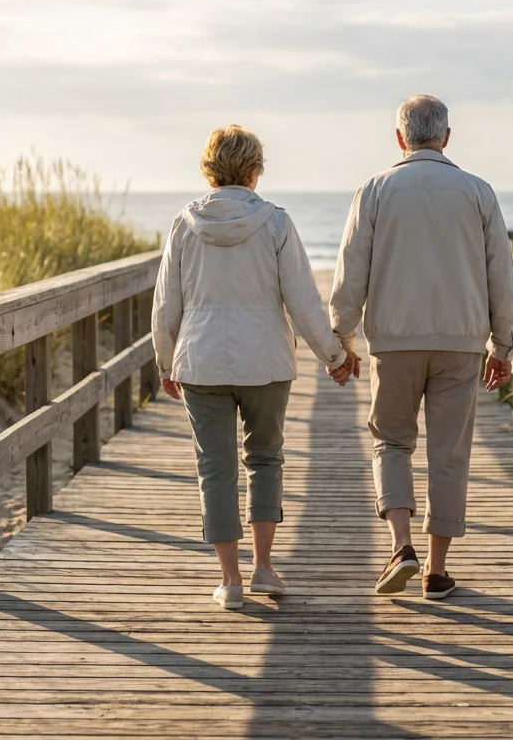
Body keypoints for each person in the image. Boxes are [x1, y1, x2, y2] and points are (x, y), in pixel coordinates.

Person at [152, 125, 359, 610]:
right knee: (265, 458)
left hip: (200, 363)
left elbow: (166, 305)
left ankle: (230, 581)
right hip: (266, 362)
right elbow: (303, 301)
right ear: (253, 171)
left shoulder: (184, 224)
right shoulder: (276, 223)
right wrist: (336, 355)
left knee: (215, 468)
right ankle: (264, 568)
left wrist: (165, 361)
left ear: (209, 171)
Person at [328, 94, 513, 600]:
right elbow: (501, 273)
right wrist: (505, 344)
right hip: (461, 343)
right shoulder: (478, 192)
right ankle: (436, 571)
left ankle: (401, 546)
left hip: (394, 338)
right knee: (449, 453)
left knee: (391, 441)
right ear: (447, 137)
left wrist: (342, 339)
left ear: (399, 138)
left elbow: (352, 271)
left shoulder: (374, 191)